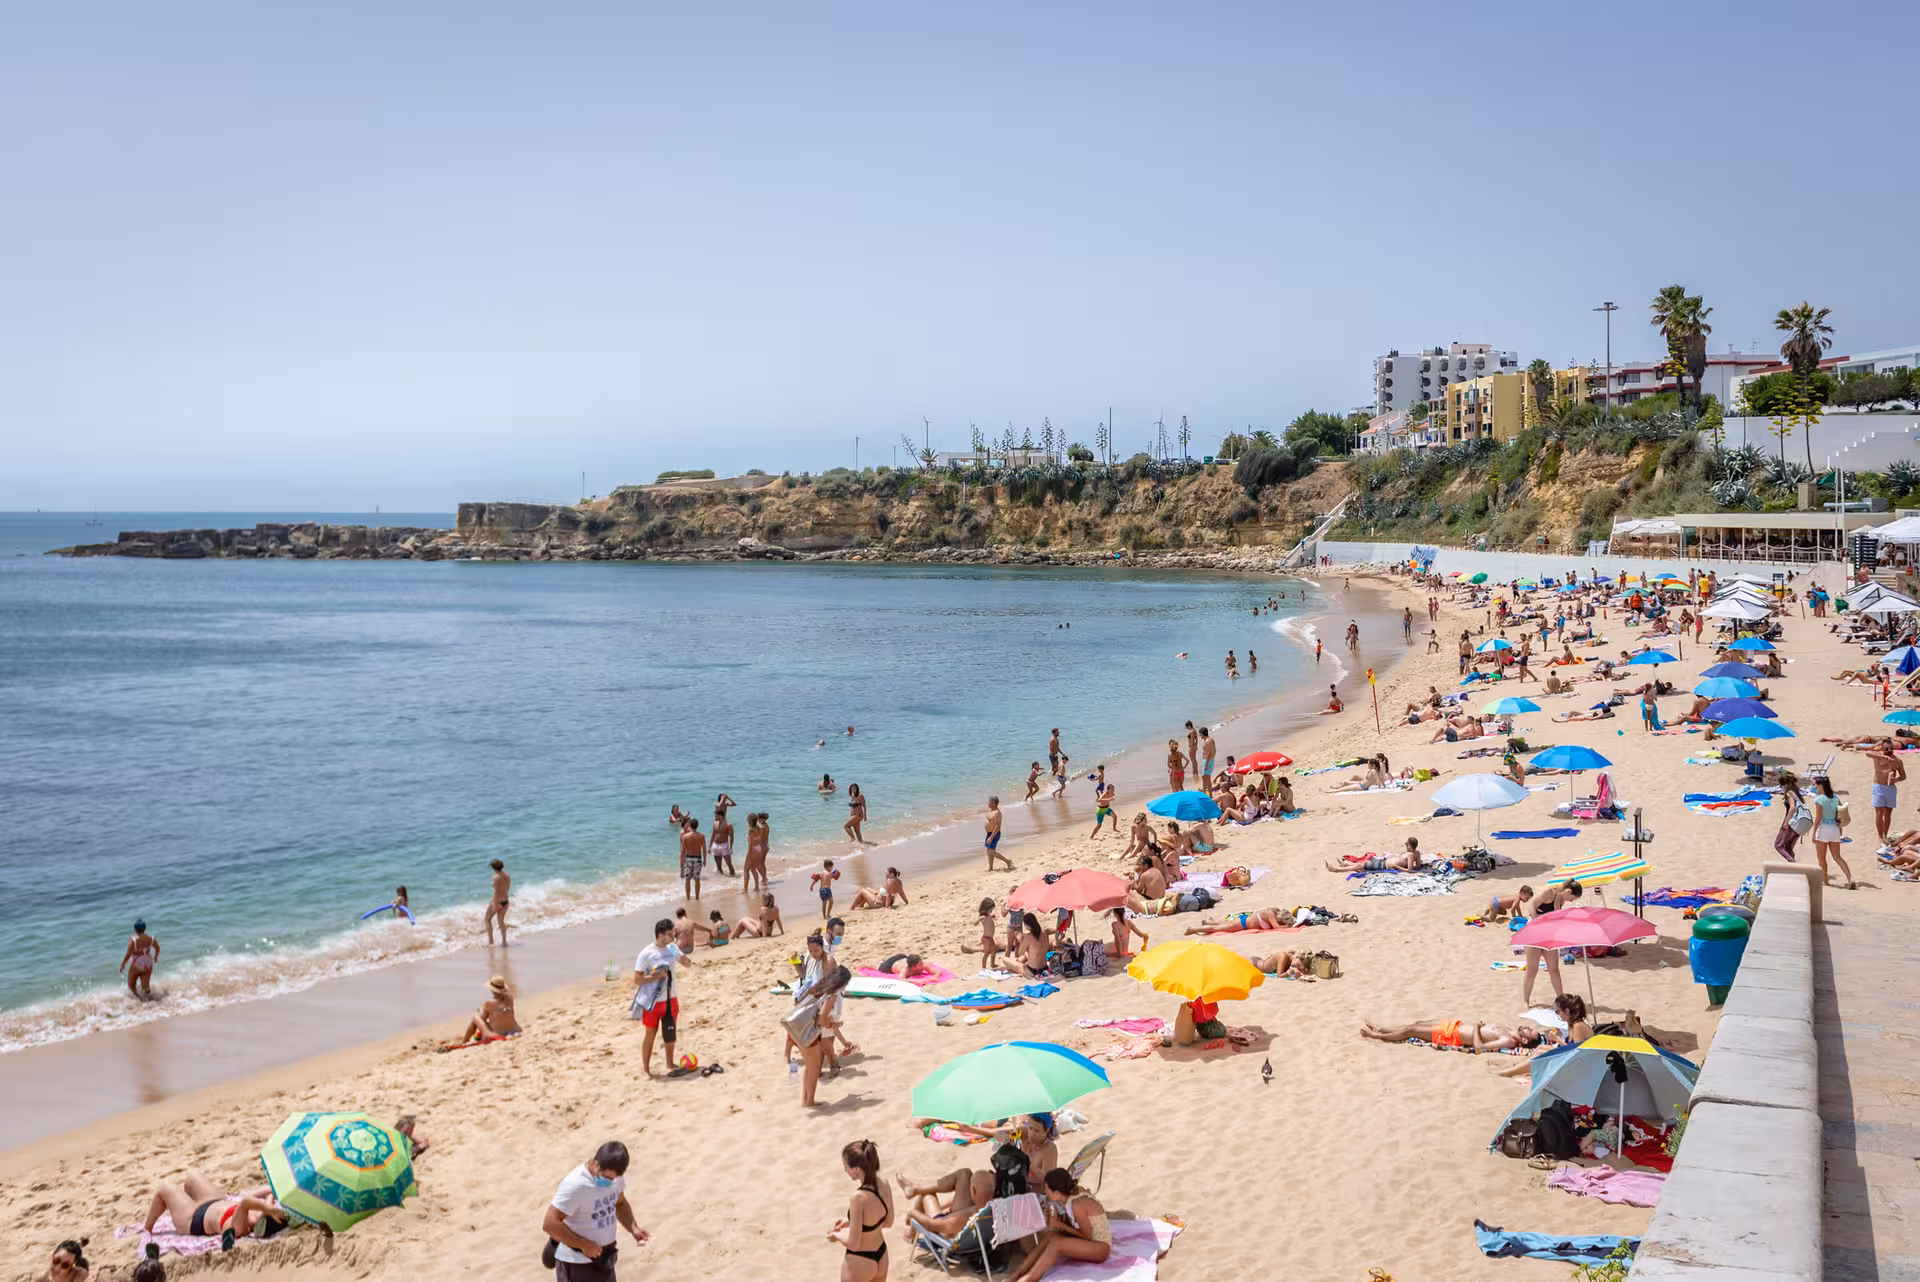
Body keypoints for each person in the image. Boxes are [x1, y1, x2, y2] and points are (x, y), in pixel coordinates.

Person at [543, 1141, 649, 1281]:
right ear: (596, 1165)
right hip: (577, 1264)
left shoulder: (615, 1178)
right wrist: (583, 1245)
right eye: (607, 1178)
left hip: (605, 1260)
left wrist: (634, 1229)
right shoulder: (575, 1185)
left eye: (614, 1179)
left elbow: (620, 1203)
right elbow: (550, 1224)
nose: (611, 1183)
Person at [1006, 1168, 1112, 1282]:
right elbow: (1074, 1224)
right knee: (1052, 1236)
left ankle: (1028, 1279)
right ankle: (1017, 1274)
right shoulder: (1070, 1197)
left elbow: (1087, 1236)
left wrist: (1060, 1225)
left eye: (1047, 1189)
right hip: (1091, 1242)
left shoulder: (1077, 1205)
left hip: (1100, 1248)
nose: (1045, 1192)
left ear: (1056, 1193)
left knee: (1057, 1243)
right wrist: (1059, 1221)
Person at [630, 918, 699, 1077]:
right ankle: (646, 1069)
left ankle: (670, 1062)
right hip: (653, 1002)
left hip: (670, 999)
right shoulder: (646, 953)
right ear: (660, 935)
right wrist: (655, 977)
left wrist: (684, 959)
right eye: (670, 934)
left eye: (674, 934)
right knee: (650, 1035)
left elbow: (688, 964)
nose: (673, 937)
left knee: (670, 1033)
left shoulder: (673, 948)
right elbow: (637, 979)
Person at [143, 1171, 287, 1246]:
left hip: (194, 1219)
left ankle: (147, 1228)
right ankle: (184, 1201)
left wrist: (269, 1209)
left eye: (260, 1217)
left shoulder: (239, 1228)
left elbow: (245, 1203)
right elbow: (264, 1199)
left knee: (165, 1189)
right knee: (193, 1176)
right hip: (215, 1200)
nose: (258, 1214)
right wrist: (270, 1201)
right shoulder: (256, 1215)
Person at [828, 1140, 893, 1281]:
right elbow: (888, 1222)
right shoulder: (885, 1184)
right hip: (881, 1255)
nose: (845, 1170)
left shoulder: (857, 1198)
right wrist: (850, 1221)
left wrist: (837, 1235)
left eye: (846, 1167)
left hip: (861, 1260)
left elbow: (854, 1243)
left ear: (857, 1169)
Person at [1521, 881, 1584, 1006]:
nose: (1571, 902)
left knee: (1554, 969)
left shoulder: (1561, 901)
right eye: (1572, 898)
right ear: (1568, 891)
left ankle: (1561, 1000)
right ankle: (1526, 1000)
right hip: (1534, 932)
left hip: (1549, 935)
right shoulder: (1549, 892)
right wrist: (1536, 922)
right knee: (1532, 969)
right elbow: (1531, 906)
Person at [798, 965, 852, 1107]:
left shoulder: (819, 988)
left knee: (809, 1068)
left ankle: (806, 1100)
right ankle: (809, 1101)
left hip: (800, 1029)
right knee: (813, 1069)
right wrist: (832, 1024)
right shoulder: (832, 996)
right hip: (812, 1035)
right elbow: (821, 1019)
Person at [1359, 1018, 1549, 1052]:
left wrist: (1475, 1027)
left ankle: (1376, 1037)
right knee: (1416, 1024)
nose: (1526, 1027)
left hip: (1453, 1036)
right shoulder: (1508, 1030)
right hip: (1455, 1025)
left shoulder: (1508, 1041)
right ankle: (1382, 1029)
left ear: (1524, 1040)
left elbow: (1479, 1047)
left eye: (1528, 1031)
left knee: (1412, 1031)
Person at [1810, 775, 1856, 890]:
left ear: (1820, 786)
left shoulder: (1819, 799)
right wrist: (1840, 828)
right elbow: (1840, 814)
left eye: (1814, 785)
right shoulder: (1835, 798)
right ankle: (1850, 878)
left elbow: (1818, 817)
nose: (1813, 787)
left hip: (1823, 829)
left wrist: (1813, 832)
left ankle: (1825, 881)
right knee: (1837, 857)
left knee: (1821, 857)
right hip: (1834, 829)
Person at [457, 975, 523, 1044]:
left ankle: (464, 1041)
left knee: (475, 1018)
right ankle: (469, 1039)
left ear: (492, 989)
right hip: (515, 1031)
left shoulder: (489, 1003)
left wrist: (480, 1011)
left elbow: (482, 1019)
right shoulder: (510, 998)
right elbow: (500, 1011)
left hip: (499, 1034)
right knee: (489, 1021)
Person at [1864, 740, 1906, 842]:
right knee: (1879, 812)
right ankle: (1880, 836)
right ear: (1882, 749)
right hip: (1878, 786)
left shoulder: (1897, 761)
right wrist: (1883, 757)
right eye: (1886, 748)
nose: (1889, 750)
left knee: (1888, 813)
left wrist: (1896, 779)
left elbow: (1903, 776)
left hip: (1890, 788)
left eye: (1891, 748)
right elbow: (1867, 753)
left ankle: (1885, 835)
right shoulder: (1878, 757)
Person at [120, 920, 158, 999]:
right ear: (145, 928)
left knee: (131, 985)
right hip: (148, 962)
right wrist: (156, 956)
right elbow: (157, 947)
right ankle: (150, 999)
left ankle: (138, 1000)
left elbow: (128, 954)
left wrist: (123, 964)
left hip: (137, 963)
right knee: (145, 986)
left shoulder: (133, 940)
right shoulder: (151, 938)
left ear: (135, 929)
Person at [1774, 770, 1807, 863]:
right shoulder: (1796, 790)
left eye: (1781, 785)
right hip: (1799, 823)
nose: (1781, 787)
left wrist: (1786, 823)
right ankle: (1792, 865)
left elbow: (1792, 808)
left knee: (1778, 845)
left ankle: (1793, 864)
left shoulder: (1789, 793)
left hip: (1791, 823)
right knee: (1788, 847)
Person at [961, 897, 1002, 968]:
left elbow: (989, 917)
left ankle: (992, 963)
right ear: (986, 909)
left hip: (990, 937)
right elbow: (975, 923)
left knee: (994, 950)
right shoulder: (983, 917)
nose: (991, 911)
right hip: (986, 938)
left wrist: (991, 916)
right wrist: (979, 919)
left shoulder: (988, 915)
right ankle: (984, 967)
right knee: (986, 953)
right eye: (990, 910)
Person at [678, 817, 706, 902]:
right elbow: (704, 849)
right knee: (697, 879)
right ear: (697, 826)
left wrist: (682, 861)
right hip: (698, 858)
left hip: (689, 858)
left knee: (688, 879)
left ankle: (688, 898)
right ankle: (697, 898)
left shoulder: (685, 837)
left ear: (690, 825)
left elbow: (683, 850)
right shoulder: (702, 836)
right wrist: (705, 859)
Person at [742, 812, 770, 895]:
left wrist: (748, 854)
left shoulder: (750, 830)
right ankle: (757, 887)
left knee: (746, 869)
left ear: (749, 821)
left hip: (753, 849)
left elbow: (750, 844)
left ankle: (745, 889)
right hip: (759, 848)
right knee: (753, 868)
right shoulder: (758, 827)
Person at [485, 859, 511, 945]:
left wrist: (494, 903)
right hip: (506, 901)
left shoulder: (495, 877)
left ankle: (491, 941)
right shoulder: (507, 875)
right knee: (501, 922)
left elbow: (496, 891)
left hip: (497, 901)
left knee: (487, 919)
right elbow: (507, 888)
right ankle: (504, 941)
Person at [983, 796, 1013, 870]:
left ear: (993, 803)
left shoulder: (997, 813)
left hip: (994, 834)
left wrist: (991, 837)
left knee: (991, 852)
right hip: (989, 833)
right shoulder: (991, 811)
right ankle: (990, 868)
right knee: (989, 851)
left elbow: (997, 826)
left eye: (989, 801)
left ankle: (1008, 861)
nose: (988, 803)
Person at [1088, 767, 1117, 837]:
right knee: (1099, 825)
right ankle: (1091, 836)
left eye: (1114, 788)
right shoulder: (1105, 794)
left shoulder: (1113, 794)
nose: (1113, 790)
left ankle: (1114, 828)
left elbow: (1110, 799)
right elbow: (1099, 800)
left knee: (1115, 816)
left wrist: (1110, 799)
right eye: (1112, 789)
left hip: (1106, 808)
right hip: (1100, 810)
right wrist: (1109, 799)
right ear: (1108, 789)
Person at [710, 808, 736, 879]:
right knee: (718, 865)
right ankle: (721, 880)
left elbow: (732, 837)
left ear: (720, 815)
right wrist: (710, 846)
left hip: (724, 845)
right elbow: (713, 835)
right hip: (715, 845)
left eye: (716, 815)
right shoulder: (715, 823)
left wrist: (730, 847)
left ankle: (734, 879)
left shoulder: (728, 825)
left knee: (729, 864)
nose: (715, 817)